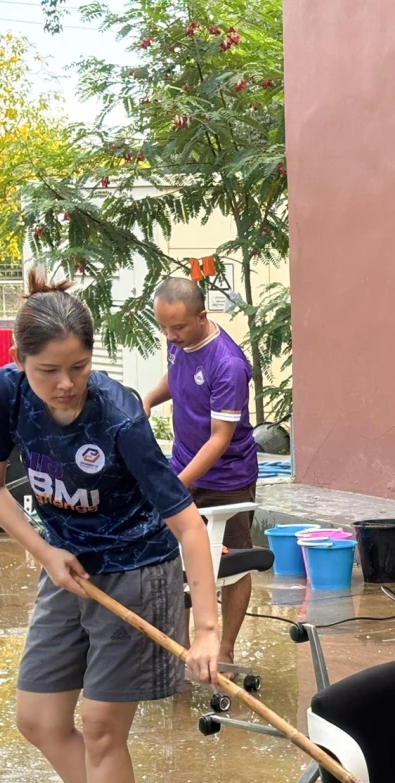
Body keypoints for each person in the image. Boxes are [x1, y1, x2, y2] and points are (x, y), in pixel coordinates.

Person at [0, 269, 221, 783]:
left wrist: (205, 629)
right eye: (49, 370)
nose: (65, 384)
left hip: (137, 573)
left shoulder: (117, 415)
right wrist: (43, 551)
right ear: (22, 362)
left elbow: (187, 523)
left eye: (78, 367)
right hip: (68, 568)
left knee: (102, 731)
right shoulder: (4, 393)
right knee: (39, 719)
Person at [143, 277, 259, 666]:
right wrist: (148, 400)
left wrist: (174, 486)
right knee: (176, 560)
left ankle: (223, 650)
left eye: (177, 327)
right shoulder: (180, 341)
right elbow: (176, 378)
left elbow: (219, 440)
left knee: (233, 564)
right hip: (183, 466)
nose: (170, 336)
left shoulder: (227, 364)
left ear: (202, 316)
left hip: (228, 481)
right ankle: (183, 651)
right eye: (163, 327)